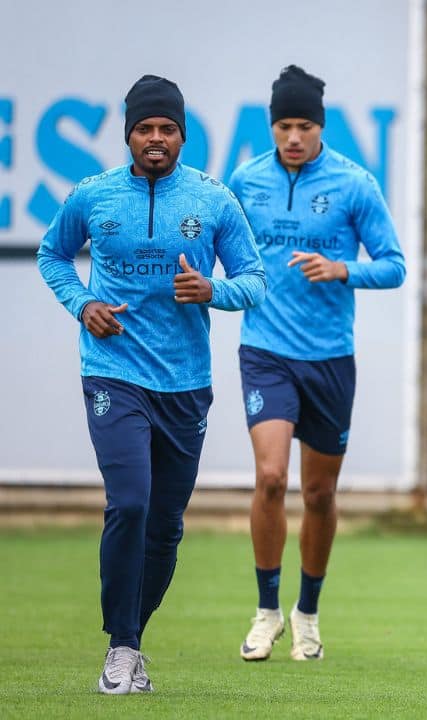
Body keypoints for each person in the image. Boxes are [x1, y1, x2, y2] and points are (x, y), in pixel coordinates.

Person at [36, 74, 265, 693]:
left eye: (167, 128)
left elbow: (255, 279)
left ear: (182, 135)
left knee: (165, 524)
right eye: (145, 128)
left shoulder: (213, 200)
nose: (156, 138)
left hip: (186, 382)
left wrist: (213, 290)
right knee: (130, 501)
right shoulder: (94, 195)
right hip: (113, 372)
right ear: (129, 135)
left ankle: (134, 638)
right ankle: (121, 647)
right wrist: (83, 304)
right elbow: (52, 254)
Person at [228, 65, 406, 662]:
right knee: (272, 478)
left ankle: (307, 612)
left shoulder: (356, 184)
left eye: (305, 125)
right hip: (266, 352)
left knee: (320, 494)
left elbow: (395, 265)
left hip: (330, 358)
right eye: (284, 125)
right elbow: (227, 256)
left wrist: (342, 269)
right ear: (271, 127)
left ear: (321, 127)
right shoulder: (246, 180)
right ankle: (266, 610)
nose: (294, 136)